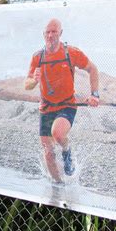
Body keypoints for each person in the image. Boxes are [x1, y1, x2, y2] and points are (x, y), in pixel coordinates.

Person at [25, 18, 99, 183]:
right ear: (44, 34)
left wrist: (95, 94)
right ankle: (59, 185)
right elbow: (27, 85)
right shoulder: (37, 57)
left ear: (61, 33)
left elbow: (93, 69)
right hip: (45, 108)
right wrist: (34, 80)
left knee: (57, 134)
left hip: (67, 105)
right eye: (48, 32)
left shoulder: (71, 53)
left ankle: (67, 150)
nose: (50, 36)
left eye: (54, 32)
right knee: (48, 152)